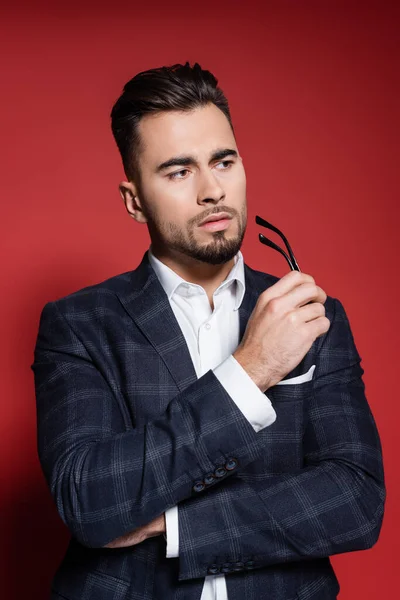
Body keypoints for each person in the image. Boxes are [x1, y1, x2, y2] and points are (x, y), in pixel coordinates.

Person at [31, 61, 385, 600]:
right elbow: (91, 500)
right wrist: (251, 370)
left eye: (224, 161)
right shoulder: (79, 324)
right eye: (178, 171)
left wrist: (172, 525)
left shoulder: (309, 313)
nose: (212, 190)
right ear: (134, 201)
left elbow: (356, 502)